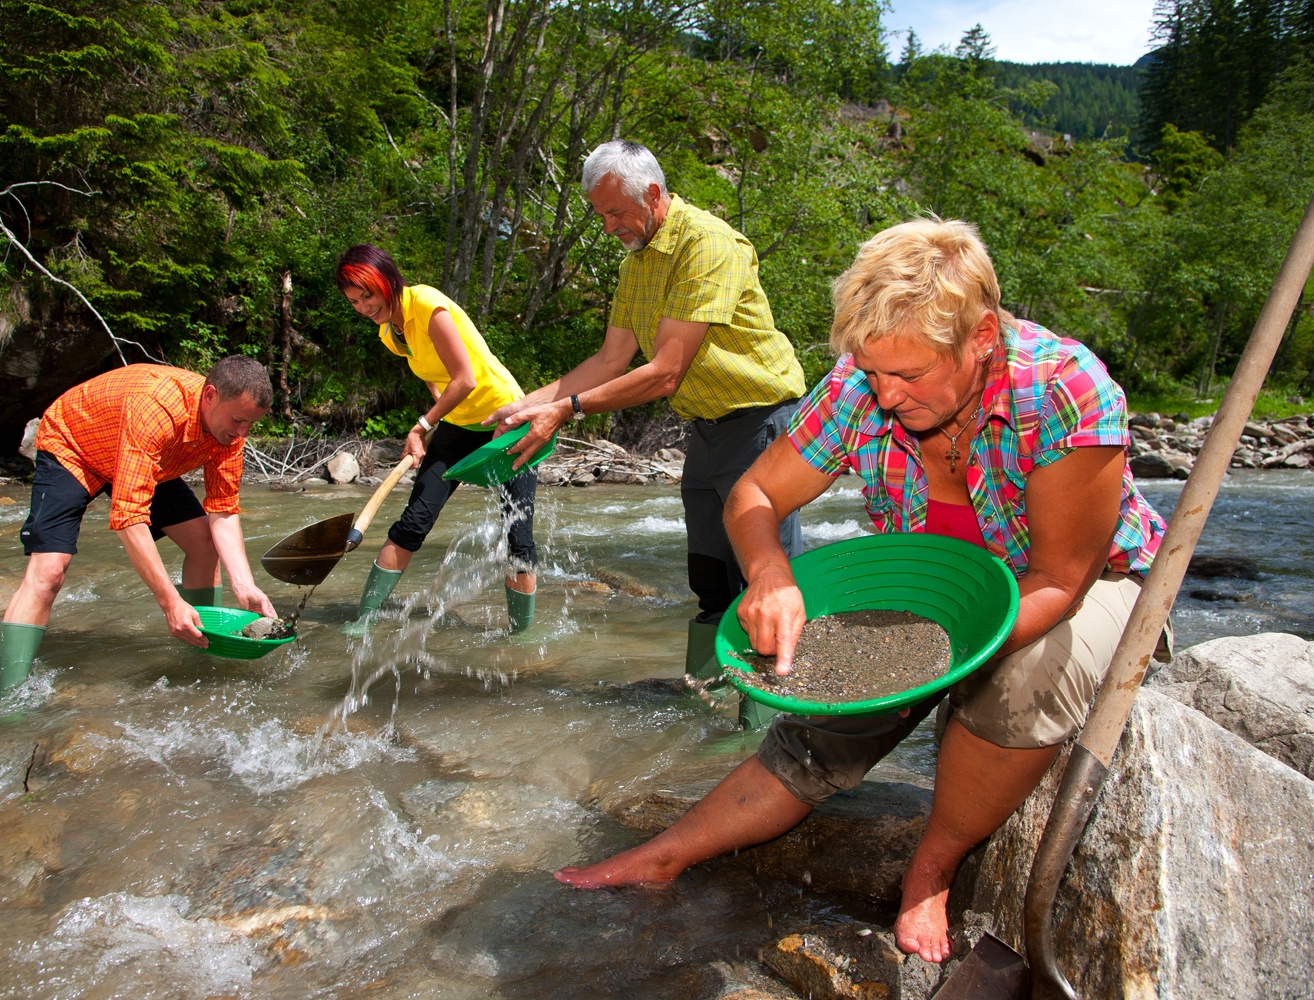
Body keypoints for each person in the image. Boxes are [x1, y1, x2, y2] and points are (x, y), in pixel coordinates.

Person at [552, 218, 1170, 965]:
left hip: (1088, 587)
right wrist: (772, 573)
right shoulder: (861, 382)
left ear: (978, 339)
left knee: (1020, 682)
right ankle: (666, 854)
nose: (885, 394)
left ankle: (932, 872)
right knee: (822, 717)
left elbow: (1059, 579)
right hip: (936, 591)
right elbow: (754, 495)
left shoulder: (1063, 388)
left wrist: (930, 668)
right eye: (873, 373)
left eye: (908, 377)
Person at [488, 140, 806, 728]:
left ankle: (770, 728)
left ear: (654, 195)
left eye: (617, 213)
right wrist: (523, 406)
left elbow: (664, 372)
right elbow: (611, 359)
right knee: (710, 578)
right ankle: (708, 708)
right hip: (706, 433)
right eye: (600, 216)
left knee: (762, 581)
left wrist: (569, 411)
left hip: (762, 425)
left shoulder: (707, 244)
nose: (609, 227)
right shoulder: (637, 262)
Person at [0, 357, 277, 690]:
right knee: (49, 574)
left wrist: (244, 586)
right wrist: (170, 602)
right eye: (238, 420)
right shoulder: (157, 408)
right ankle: (9, 699)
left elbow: (223, 510)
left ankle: (197, 660)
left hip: (146, 460)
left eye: (250, 424)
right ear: (211, 396)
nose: (242, 432)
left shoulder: (229, 434)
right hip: (75, 446)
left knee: (203, 545)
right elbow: (129, 516)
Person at [336, 244, 538, 632]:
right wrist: (437, 412)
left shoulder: (428, 305)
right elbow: (434, 374)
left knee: (519, 536)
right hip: (459, 425)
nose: (363, 306)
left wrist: (422, 426)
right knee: (415, 520)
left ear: (388, 280)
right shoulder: (391, 334)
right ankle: (362, 622)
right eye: (354, 301)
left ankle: (521, 636)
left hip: (507, 423)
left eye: (368, 294)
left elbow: (465, 378)